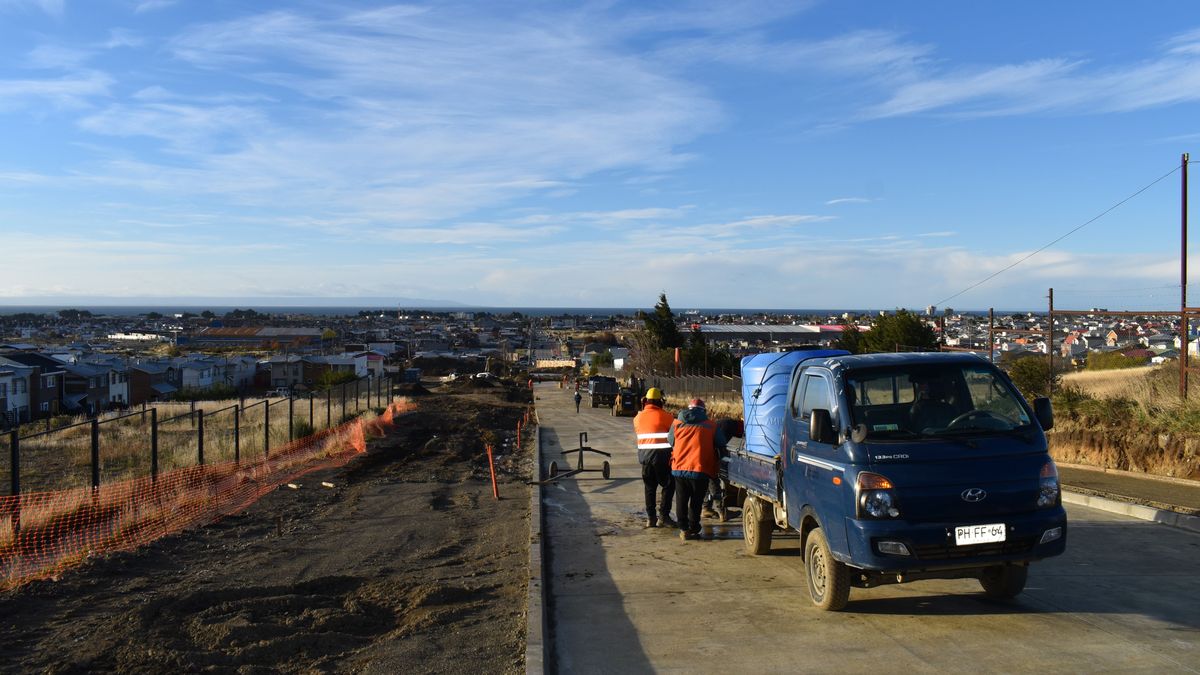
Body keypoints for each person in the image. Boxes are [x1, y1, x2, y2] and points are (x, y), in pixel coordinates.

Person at [669, 398, 727, 541]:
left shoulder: (676, 423)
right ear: (703, 411)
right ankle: (694, 527)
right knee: (696, 501)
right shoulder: (711, 426)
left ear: (688, 409)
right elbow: (721, 443)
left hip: (679, 468)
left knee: (681, 500)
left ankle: (683, 529)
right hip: (700, 468)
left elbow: (671, 441)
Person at [633, 387, 676, 529]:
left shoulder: (637, 418)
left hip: (645, 459)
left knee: (649, 488)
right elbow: (674, 433)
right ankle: (663, 516)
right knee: (669, 485)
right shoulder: (666, 416)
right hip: (662, 459)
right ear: (659, 401)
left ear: (645, 401)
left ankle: (651, 518)